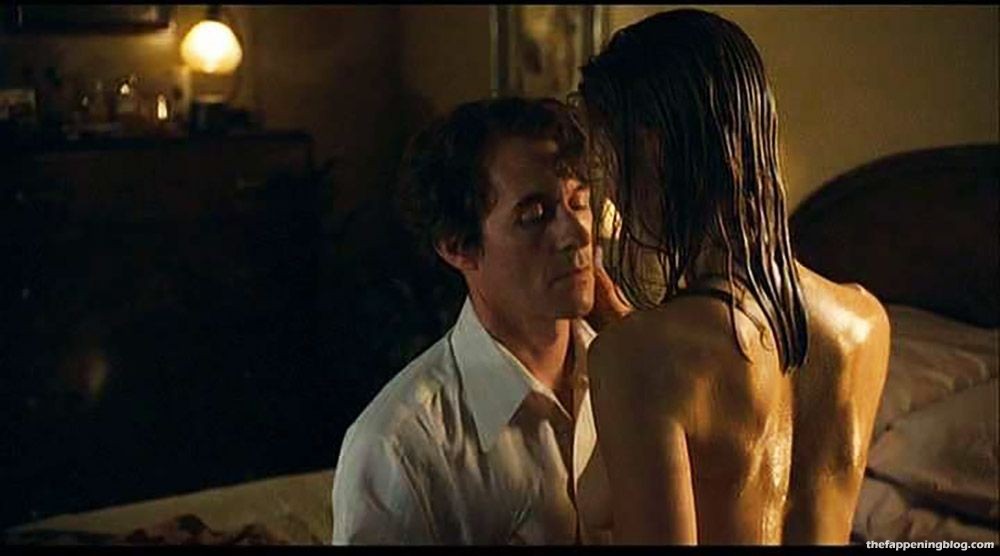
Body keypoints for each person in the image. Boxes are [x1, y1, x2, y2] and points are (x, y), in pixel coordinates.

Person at [574, 8, 891, 544]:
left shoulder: (640, 358)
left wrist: (632, 354)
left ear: (650, 147)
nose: (613, 195)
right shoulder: (866, 324)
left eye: (607, 154)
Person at [330, 97, 623, 544]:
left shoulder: (630, 377)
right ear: (458, 247)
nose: (578, 233)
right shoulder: (400, 447)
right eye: (534, 216)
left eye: (579, 202)